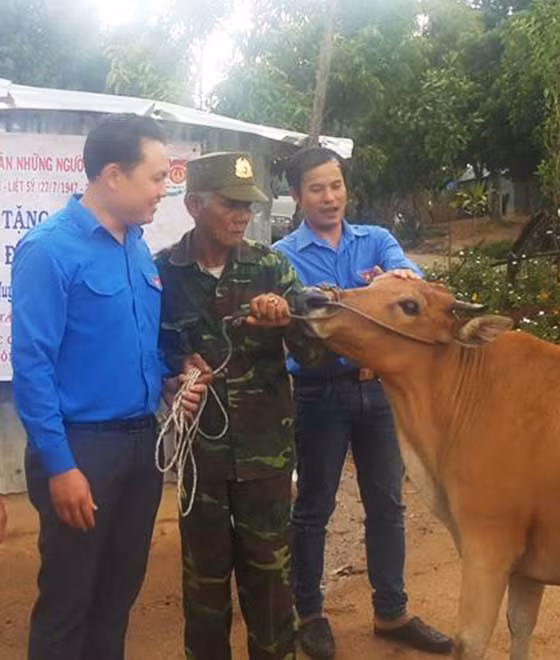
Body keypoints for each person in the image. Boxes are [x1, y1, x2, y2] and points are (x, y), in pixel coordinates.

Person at [11, 113, 203, 660]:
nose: (164, 190)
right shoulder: (49, 250)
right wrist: (61, 466)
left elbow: (135, 347)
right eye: (157, 177)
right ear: (114, 175)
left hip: (141, 447)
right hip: (82, 450)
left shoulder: (137, 247)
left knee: (118, 596)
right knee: (69, 600)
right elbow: (33, 368)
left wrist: (173, 382)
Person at [274, 147, 453, 659]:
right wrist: (367, 294)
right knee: (313, 508)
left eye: (335, 185)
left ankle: (391, 611)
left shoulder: (377, 240)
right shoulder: (283, 255)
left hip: (379, 392)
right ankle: (308, 614)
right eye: (316, 188)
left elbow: (409, 282)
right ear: (296, 195)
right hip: (319, 393)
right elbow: (302, 317)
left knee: (387, 505)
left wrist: (396, 281)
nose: (329, 197)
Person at [156, 151, 325, 660]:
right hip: (201, 461)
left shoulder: (271, 266)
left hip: (265, 458)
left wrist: (288, 323)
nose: (241, 216)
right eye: (230, 204)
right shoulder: (163, 273)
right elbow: (151, 355)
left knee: (272, 584)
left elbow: (315, 354)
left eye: (247, 206)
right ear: (193, 205)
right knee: (204, 589)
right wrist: (174, 375)